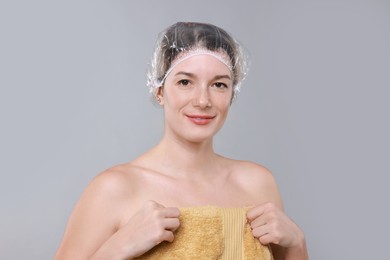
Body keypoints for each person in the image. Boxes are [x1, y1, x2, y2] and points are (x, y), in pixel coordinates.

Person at [55, 22, 308, 260]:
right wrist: (118, 247)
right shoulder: (115, 188)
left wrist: (297, 242)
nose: (202, 101)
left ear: (232, 94)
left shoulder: (257, 184)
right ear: (160, 91)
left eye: (219, 84)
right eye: (185, 82)